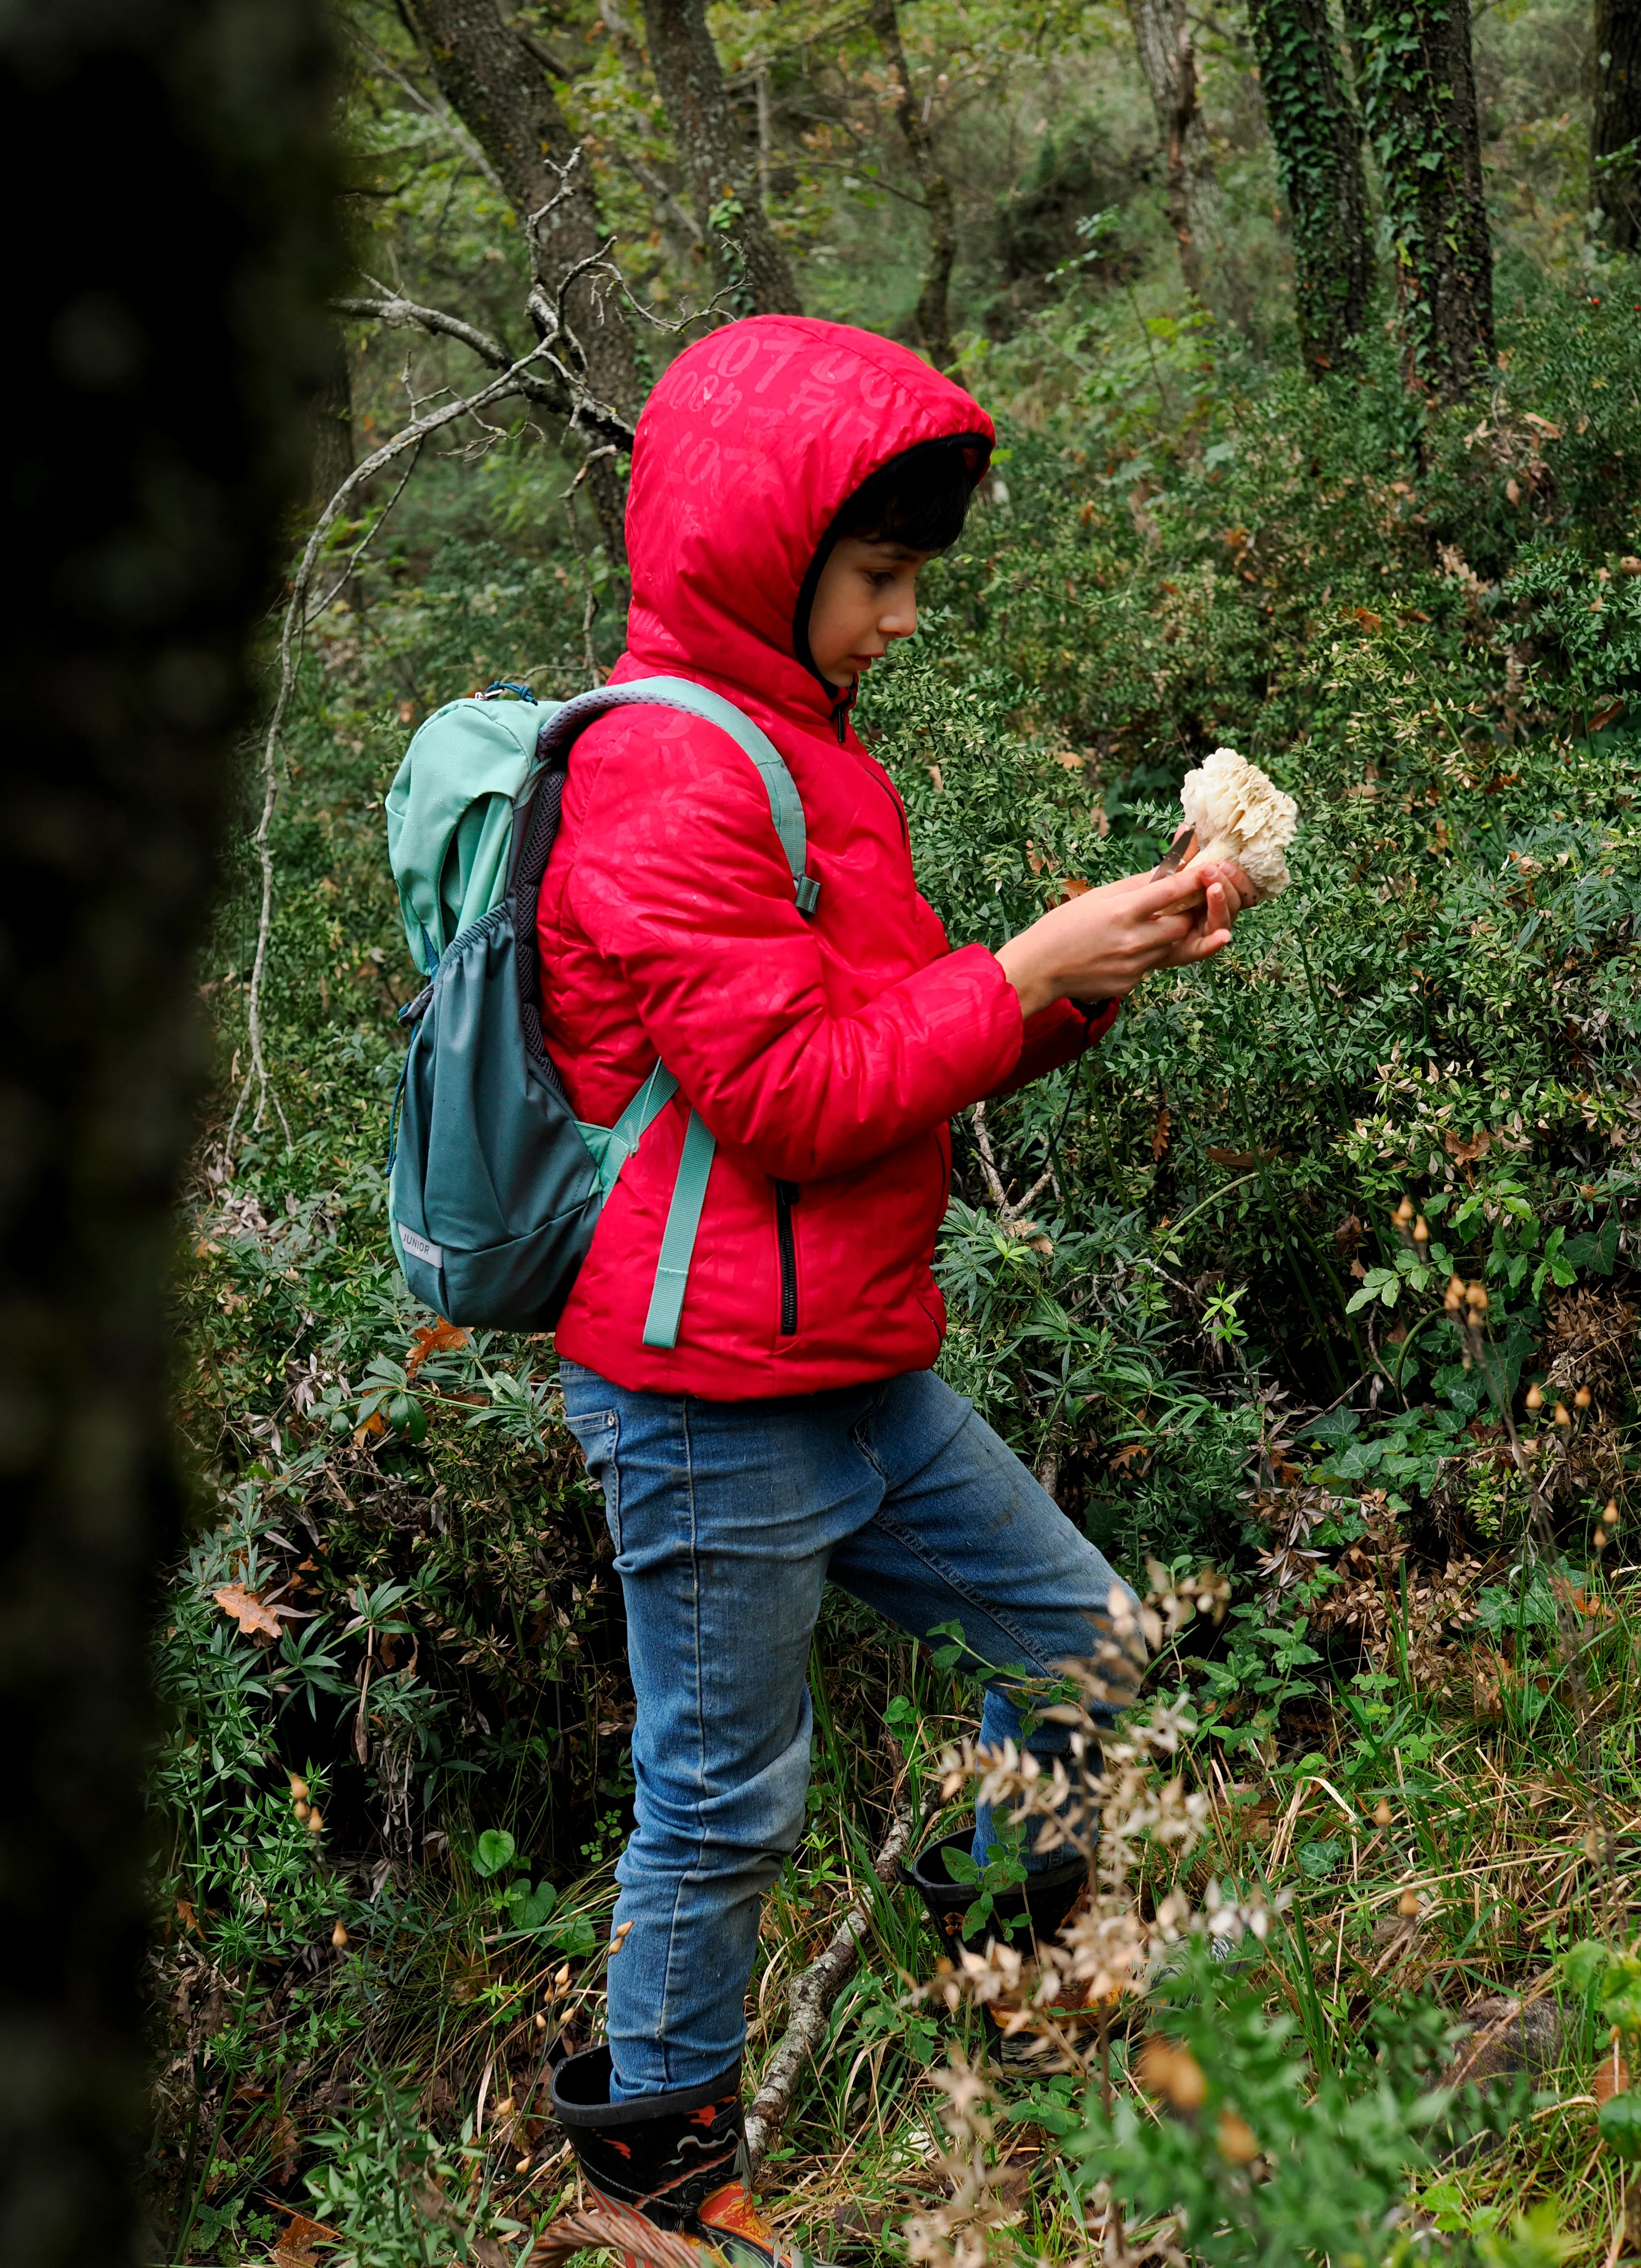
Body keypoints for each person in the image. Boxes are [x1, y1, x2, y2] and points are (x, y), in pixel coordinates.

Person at [535, 315, 1248, 2268]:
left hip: (845, 1352)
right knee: (722, 1804)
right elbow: (784, 1098)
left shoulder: (803, 757)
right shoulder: (662, 773)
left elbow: (894, 1043)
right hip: (706, 1395)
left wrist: (1095, 975)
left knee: (1087, 1644)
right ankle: (657, 2181)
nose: (904, 617)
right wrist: (1020, 968)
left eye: (915, 574)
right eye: (878, 575)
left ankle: (1015, 1979)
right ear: (763, 559)